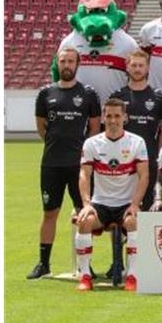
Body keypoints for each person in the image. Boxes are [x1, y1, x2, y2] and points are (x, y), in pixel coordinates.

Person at [29, 47, 101, 279]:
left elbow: (94, 128)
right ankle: (43, 264)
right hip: (51, 163)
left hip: (79, 166)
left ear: (77, 64)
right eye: (63, 61)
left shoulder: (88, 94)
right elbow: (42, 128)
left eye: (71, 61)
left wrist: (82, 153)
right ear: (57, 64)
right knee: (50, 212)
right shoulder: (45, 93)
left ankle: (85, 265)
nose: (67, 65)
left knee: (84, 213)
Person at [74, 98, 149, 291]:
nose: (113, 120)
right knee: (84, 221)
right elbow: (84, 174)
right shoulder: (92, 143)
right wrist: (87, 204)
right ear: (103, 118)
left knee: (133, 222)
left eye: (117, 116)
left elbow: (144, 175)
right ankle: (85, 276)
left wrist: (134, 204)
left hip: (125, 203)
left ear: (125, 117)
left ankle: (133, 275)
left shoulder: (136, 142)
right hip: (101, 204)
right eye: (109, 116)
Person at [113, 49, 162, 212]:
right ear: (127, 67)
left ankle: (144, 237)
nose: (137, 69)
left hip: (149, 158)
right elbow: (110, 128)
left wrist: (159, 153)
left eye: (141, 65)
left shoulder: (158, 98)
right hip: (122, 159)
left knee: (148, 203)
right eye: (134, 65)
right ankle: (120, 237)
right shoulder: (118, 97)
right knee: (118, 203)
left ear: (147, 68)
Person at [58, 0, 140, 102]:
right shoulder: (69, 42)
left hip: (115, 112)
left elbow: (138, 76)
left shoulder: (128, 43)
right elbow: (59, 74)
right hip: (80, 109)